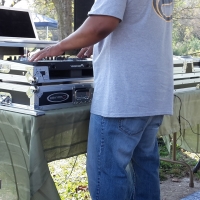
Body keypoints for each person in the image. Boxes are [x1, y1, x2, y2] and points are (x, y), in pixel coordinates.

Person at [30, 0, 174, 199]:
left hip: (122, 97)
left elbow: (101, 24)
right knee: (145, 169)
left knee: (108, 172)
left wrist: (60, 46)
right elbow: (136, 22)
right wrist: (97, 42)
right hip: (152, 94)